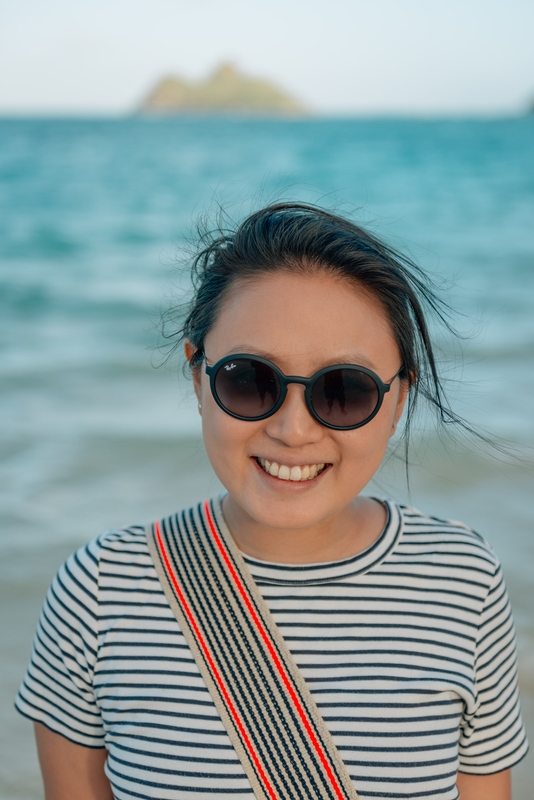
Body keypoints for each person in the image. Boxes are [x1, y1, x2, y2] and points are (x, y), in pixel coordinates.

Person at [16, 203, 528, 800]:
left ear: (397, 402)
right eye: (249, 379)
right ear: (198, 379)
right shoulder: (99, 589)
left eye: (344, 391)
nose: (293, 430)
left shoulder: (463, 579)